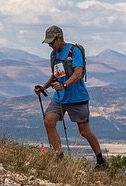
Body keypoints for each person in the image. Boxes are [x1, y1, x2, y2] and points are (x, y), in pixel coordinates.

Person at [34, 25, 107, 170]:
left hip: (77, 97)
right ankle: (58, 156)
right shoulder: (53, 55)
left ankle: (101, 160)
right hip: (60, 96)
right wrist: (44, 87)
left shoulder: (75, 51)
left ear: (60, 38)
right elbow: (56, 75)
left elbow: (78, 73)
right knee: (49, 121)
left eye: (52, 42)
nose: (50, 45)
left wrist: (65, 85)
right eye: (48, 43)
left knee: (84, 131)